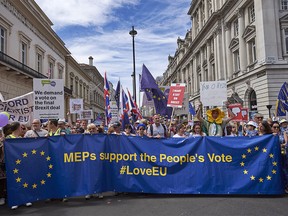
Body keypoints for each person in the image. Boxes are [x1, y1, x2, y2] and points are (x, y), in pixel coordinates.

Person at [5, 122, 32, 209]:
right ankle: (15, 200)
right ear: (17, 128)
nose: (22, 129)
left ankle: (25, 199)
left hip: (22, 163)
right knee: (14, 182)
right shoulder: (8, 138)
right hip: (12, 163)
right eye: (21, 127)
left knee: (24, 180)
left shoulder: (21, 138)